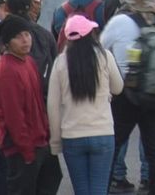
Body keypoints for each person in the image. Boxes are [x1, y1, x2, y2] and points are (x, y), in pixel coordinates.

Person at [48, 14, 123, 195]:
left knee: (81, 190)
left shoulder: (60, 62)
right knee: (98, 190)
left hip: (72, 136)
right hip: (103, 133)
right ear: (91, 33)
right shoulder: (105, 57)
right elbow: (118, 87)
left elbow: (52, 105)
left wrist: (56, 140)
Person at [0, 14, 64, 194]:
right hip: (21, 148)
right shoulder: (6, 71)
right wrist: (27, 151)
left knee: (52, 178)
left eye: (27, 34)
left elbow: (38, 102)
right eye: (18, 37)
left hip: (40, 141)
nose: (25, 40)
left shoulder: (28, 62)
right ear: (7, 43)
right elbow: (13, 117)